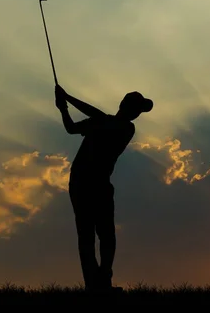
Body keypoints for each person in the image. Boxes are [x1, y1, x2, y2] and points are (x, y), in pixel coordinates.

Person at [54, 84, 153, 291]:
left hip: (97, 184)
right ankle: (95, 284)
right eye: (136, 109)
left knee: (106, 234)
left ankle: (103, 279)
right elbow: (71, 128)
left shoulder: (126, 128)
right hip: (82, 183)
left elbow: (97, 116)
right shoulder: (102, 121)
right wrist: (63, 108)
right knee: (87, 235)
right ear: (125, 106)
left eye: (139, 111)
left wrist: (68, 98)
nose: (137, 114)